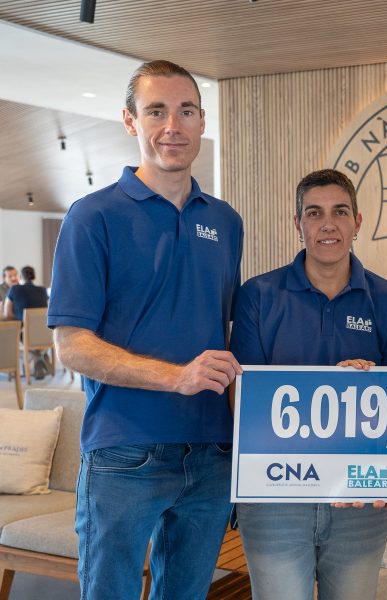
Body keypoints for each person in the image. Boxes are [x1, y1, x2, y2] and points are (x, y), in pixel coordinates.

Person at [48, 60, 244, 600]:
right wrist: (177, 377)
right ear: (130, 121)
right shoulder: (92, 216)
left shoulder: (225, 221)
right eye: (156, 111)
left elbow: (226, 330)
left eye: (186, 111)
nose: (172, 126)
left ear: (202, 120)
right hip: (123, 451)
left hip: (211, 451)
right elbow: (71, 345)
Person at [229, 168, 387, 600]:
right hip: (275, 496)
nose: (328, 224)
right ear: (298, 224)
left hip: (359, 499)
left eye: (340, 212)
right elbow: (243, 399)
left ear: (357, 222)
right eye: (314, 213)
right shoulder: (258, 295)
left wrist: (370, 386)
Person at [3, 265, 50, 379]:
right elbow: (48, 311)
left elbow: (7, 314)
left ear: (20, 276)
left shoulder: (14, 289)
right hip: (46, 334)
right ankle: (41, 356)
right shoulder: (43, 290)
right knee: (34, 340)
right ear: (34, 276)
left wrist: (21, 317)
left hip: (26, 334)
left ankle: (37, 359)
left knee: (14, 337)